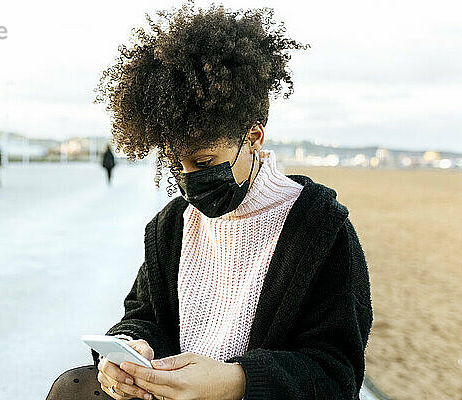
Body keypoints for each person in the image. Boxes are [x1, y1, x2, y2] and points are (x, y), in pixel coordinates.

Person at [46, 2, 372, 400]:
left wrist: (236, 381)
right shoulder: (171, 225)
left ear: (253, 137)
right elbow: (144, 314)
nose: (191, 180)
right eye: (177, 163)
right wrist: (130, 349)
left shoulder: (320, 229)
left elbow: (336, 375)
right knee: (71, 388)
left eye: (204, 161)